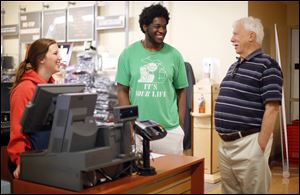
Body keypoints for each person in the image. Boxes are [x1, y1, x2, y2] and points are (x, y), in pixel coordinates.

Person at [214, 16, 283, 194]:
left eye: (236, 34)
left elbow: (272, 108)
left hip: (249, 144)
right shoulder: (234, 66)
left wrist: (259, 146)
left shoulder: (268, 65)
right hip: (226, 145)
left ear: (251, 36)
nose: (231, 39)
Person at [115, 4, 188, 155]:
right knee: (142, 177)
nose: (162, 30)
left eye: (164, 26)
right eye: (157, 26)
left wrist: (179, 124)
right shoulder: (128, 54)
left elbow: (182, 91)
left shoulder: (175, 56)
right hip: (139, 131)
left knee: (174, 177)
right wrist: (129, 125)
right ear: (145, 26)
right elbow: (122, 91)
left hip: (170, 131)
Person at [7, 38, 61, 179]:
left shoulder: (52, 88)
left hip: (47, 159)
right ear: (42, 59)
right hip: (27, 161)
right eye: (55, 53)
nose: (60, 58)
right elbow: (17, 132)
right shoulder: (24, 90)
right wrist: (21, 162)